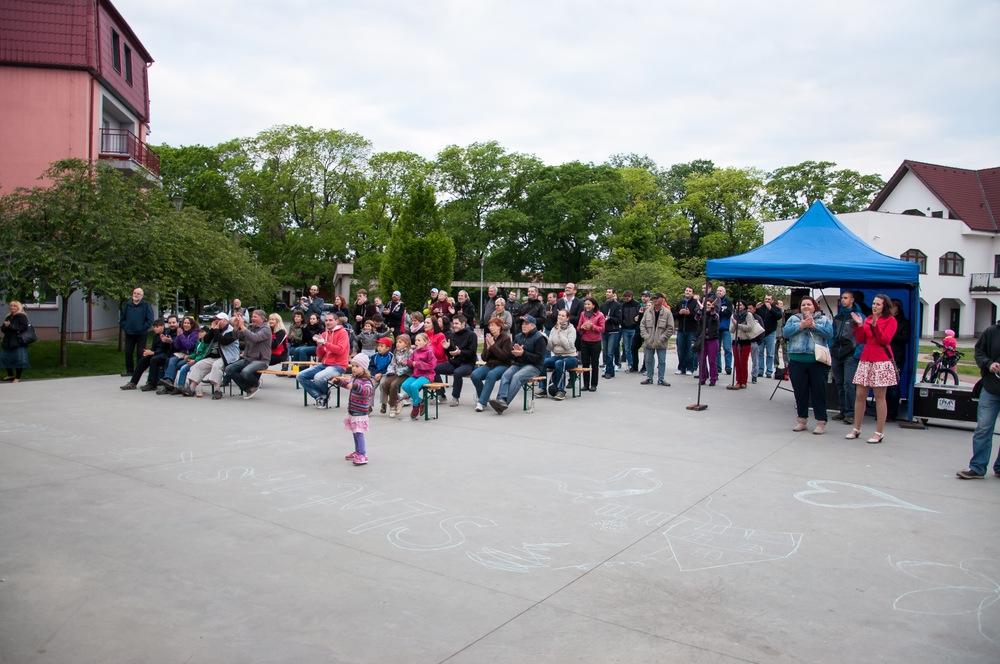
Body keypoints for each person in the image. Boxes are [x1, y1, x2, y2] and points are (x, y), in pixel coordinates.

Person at [846, 294, 898, 444]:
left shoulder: (891, 320)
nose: (875, 306)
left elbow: (885, 340)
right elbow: (861, 339)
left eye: (878, 304)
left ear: (885, 306)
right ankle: (856, 428)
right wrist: (859, 325)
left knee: (879, 397)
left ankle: (879, 432)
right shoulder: (868, 318)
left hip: (881, 360)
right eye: (874, 303)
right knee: (860, 394)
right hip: (866, 359)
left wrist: (875, 326)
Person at [783, 296, 834, 434]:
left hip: (817, 361)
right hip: (796, 360)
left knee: (819, 392)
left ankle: (821, 421)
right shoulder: (793, 319)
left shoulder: (823, 319)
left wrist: (813, 326)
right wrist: (801, 325)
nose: (806, 306)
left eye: (809, 304)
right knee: (800, 392)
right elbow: (785, 333)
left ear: (814, 306)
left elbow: (829, 334)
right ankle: (802, 420)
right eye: (803, 304)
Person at [956, 320, 1000, 479]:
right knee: (983, 428)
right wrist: (989, 364)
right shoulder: (992, 331)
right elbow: (979, 352)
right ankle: (977, 467)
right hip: (991, 388)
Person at [489, 315, 546, 413]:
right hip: (518, 364)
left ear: (533, 326)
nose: (523, 325)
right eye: (522, 323)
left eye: (526, 323)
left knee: (517, 377)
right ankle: (501, 399)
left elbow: (539, 359)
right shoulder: (518, 336)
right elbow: (510, 354)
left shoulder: (539, 338)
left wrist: (523, 353)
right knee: (506, 375)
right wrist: (514, 353)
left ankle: (503, 403)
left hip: (534, 367)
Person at [296, 313, 350, 409]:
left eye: (330, 320)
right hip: (324, 364)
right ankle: (320, 396)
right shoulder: (324, 334)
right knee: (300, 376)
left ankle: (323, 397)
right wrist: (319, 346)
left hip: (338, 365)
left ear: (336, 321)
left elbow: (340, 350)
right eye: (326, 320)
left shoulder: (343, 332)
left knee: (318, 377)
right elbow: (320, 356)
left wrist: (325, 343)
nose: (328, 322)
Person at [184, 313, 240, 399]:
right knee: (200, 365)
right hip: (215, 356)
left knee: (216, 366)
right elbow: (206, 340)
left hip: (228, 357)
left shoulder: (232, 331)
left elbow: (223, 341)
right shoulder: (216, 329)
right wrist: (212, 330)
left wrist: (216, 330)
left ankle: (217, 390)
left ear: (225, 321)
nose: (216, 321)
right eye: (215, 319)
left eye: (219, 319)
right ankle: (191, 388)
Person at [222, 309, 273, 400]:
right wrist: (236, 326)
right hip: (248, 358)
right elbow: (236, 336)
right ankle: (248, 389)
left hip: (261, 360)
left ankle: (256, 383)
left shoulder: (266, 329)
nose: (252, 318)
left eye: (255, 317)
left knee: (245, 372)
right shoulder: (251, 327)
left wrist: (243, 326)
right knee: (228, 369)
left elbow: (255, 338)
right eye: (252, 316)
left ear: (262, 318)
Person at [830, 291, 863, 425]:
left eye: (845, 298)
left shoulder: (858, 316)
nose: (843, 300)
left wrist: (856, 353)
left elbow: (863, 336)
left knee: (848, 384)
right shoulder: (838, 317)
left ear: (852, 299)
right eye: (842, 298)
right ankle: (843, 411)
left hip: (850, 354)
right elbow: (832, 335)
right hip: (837, 353)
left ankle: (851, 413)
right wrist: (831, 349)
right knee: (839, 383)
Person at [337, 353, 375, 466]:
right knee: (355, 432)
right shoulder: (354, 378)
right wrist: (338, 382)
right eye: (353, 366)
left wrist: (355, 386)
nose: (354, 368)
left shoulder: (366, 380)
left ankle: (362, 455)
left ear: (364, 368)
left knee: (359, 433)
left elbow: (367, 391)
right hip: (353, 410)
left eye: (357, 366)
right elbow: (348, 385)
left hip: (360, 412)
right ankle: (357, 452)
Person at [436, 314, 478, 407]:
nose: (454, 325)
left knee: (457, 372)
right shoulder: (452, 335)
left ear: (463, 324)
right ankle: (441, 394)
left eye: (456, 323)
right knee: (434, 369)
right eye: (453, 323)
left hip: (468, 364)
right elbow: (450, 354)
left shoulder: (472, 335)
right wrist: (447, 348)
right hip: (454, 363)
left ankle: (455, 397)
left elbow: (472, 352)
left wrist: (460, 352)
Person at [472, 317, 512, 412]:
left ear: (499, 327)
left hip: (503, 365)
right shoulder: (489, 338)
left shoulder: (506, 338)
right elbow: (484, 358)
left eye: (493, 325)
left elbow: (504, 357)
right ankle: (484, 397)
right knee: (474, 375)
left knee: (491, 374)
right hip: (489, 365)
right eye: (490, 325)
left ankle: (482, 402)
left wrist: (493, 346)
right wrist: (488, 348)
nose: (490, 327)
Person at [120, 318, 172, 391]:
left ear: (162, 326)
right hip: (156, 353)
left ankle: (151, 384)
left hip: (165, 355)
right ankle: (133, 383)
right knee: (143, 360)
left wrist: (153, 353)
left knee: (154, 359)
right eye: (154, 327)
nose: (155, 329)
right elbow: (154, 348)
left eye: (157, 327)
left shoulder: (167, 334)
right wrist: (149, 352)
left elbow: (165, 349)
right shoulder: (155, 336)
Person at [538, 309, 577, 400]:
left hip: (570, 357)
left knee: (559, 363)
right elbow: (550, 348)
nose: (560, 317)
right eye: (559, 315)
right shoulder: (553, 329)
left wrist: (560, 333)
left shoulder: (571, 329)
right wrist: (545, 338)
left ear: (567, 318)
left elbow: (568, 347)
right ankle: (543, 389)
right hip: (557, 356)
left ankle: (560, 391)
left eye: (563, 316)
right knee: (543, 362)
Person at [639, 293, 674, 386]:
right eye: (653, 298)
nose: (654, 300)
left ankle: (661, 379)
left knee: (662, 361)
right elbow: (642, 325)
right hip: (649, 341)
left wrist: (662, 338)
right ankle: (649, 378)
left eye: (657, 298)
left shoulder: (667, 312)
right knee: (648, 360)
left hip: (661, 342)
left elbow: (670, 328)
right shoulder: (648, 311)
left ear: (662, 299)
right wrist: (646, 337)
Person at [157, 316, 199, 392]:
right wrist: (171, 340)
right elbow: (177, 346)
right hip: (182, 354)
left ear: (192, 324)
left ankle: (172, 385)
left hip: (191, 355)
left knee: (177, 365)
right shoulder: (181, 332)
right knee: (170, 360)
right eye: (184, 323)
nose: (186, 325)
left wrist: (181, 336)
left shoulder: (195, 334)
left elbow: (189, 346)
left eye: (188, 323)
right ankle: (168, 381)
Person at [119, 287, 154, 377]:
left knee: (140, 353)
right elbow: (122, 319)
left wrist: (142, 328)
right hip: (129, 333)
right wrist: (126, 327)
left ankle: (138, 371)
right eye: (134, 293)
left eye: (138, 294)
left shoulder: (146, 305)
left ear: (142, 296)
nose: (136, 295)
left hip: (141, 334)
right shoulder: (127, 304)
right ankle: (129, 371)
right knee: (128, 352)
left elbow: (150, 320)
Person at [402, 332, 437, 420]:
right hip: (416, 375)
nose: (416, 342)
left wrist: (417, 364)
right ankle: (420, 401)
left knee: (414, 386)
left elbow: (432, 366)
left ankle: (415, 405)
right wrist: (407, 362)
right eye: (415, 340)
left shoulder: (429, 352)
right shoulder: (415, 352)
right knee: (405, 385)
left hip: (427, 375)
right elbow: (411, 363)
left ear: (425, 342)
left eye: (419, 340)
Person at [886, 299, 911, 421]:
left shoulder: (904, 323)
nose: (890, 309)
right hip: (884, 356)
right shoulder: (885, 320)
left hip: (897, 357)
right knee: (884, 386)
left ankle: (892, 412)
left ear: (898, 308)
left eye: (893, 306)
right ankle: (884, 411)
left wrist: (891, 333)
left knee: (893, 387)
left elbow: (905, 338)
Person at [728, 300, 760, 390]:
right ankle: (738, 381)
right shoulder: (733, 315)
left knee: (743, 362)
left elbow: (750, 327)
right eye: (737, 305)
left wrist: (738, 325)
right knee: (737, 362)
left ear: (744, 306)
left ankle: (744, 381)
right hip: (736, 341)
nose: (738, 306)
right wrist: (734, 324)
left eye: (740, 305)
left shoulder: (748, 315)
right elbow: (731, 330)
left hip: (745, 341)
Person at [576, 297, 606, 392]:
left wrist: (592, 326)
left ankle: (593, 384)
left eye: (588, 304)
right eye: (585, 304)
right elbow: (578, 328)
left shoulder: (600, 315)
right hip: (584, 341)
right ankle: (585, 384)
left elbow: (602, 329)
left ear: (593, 305)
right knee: (585, 363)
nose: (586, 306)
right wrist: (582, 327)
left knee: (594, 363)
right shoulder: (582, 314)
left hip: (595, 342)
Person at [380, 335, 411, 417]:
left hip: (405, 374)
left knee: (393, 385)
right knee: (384, 384)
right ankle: (398, 400)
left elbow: (409, 367)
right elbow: (392, 364)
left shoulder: (410, 352)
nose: (397, 344)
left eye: (400, 342)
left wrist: (399, 371)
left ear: (406, 343)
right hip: (396, 373)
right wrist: (391, 371)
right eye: (397, 342)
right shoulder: (396, 351)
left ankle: (392, 406)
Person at [0, 300, 31, 383]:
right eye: (11, 306)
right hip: (7, 341)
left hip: (18, 341)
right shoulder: (8, 316)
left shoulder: (22, 316)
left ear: (18, 307)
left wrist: (10, 326)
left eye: (14, 306)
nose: (12, 307)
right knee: (5, 358)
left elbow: (23, 328)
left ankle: (17, 377)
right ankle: (10, 375)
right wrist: (5, 326)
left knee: (19, 360)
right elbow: (3, 329)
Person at [173, 326, 209, 395]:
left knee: (184, 368)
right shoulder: (199, 342)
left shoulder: (206, 343)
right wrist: (189, 356)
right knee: (182, 367)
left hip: (201, 361)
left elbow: (204, 355)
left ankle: (184, 387)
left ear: (206, 333)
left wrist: (195, 360)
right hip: (195, 360)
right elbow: (195, 353)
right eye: (199, 332)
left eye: (202, 332)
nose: (199, 333)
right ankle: (180, 386)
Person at [674, 286, 700, 376]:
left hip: (692, 330)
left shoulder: (696, 303)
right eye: (686, 290)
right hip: (681, 330)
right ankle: (681, 368)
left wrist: (690, 313)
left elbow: (698, 316)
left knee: (690, 350)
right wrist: (679, 313)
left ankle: (690, 368)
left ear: (692, 293)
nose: (688, 292)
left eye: (690, 291)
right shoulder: (680, 302)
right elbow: (674, 315)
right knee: (680, 350)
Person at [695, 297, 720, 386]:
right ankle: (702, 377)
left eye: (709, 305)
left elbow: (714, 317)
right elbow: (696, 318)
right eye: (706, 305)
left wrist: (712, 309)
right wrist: (700, 309)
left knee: (712, 361)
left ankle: (713, 378)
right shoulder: (701, 314)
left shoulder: (715, 315)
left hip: (712, 340)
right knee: (701, 360)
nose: (707, 306)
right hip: (702, 340)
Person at [756, 295, 783, 378]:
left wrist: (770, 309)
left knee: (770, 353)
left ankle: (769, 371)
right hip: (761, 333)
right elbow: (755, 316)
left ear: (772, 300)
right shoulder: (760, 308)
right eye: (766, 299)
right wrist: (756, 308)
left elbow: (779, 316)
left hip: (771, 333)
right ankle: (760, 371)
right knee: (760, 353)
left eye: (769, 299)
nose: (767, 300)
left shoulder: (776, 308)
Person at [600, 288, 623, 379]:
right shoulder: (603, 305)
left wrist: (610, 318)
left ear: (614, 294)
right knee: (605, 352)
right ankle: (610, 371)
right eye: (607, 292)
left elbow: (619, 319)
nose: (607, 293)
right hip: (604, 330)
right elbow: (600, 316)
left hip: (613, 331)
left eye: (609, 292)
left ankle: (608, 372)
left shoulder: (617, 305)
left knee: (610, 352)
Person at [619, 290, 640, 374]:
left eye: (628, 297)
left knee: (632, 348)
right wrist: (622, 323)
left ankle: (634, 365)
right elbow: (621, 316)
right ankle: (630, 364)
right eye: (625, 297)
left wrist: (635, 323)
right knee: (626, 348)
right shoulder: (623, 305)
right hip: (625, 329)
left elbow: (639, 315)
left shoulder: (637, 304)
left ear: (631, 296)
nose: (627, 298)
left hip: (634, 329)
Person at [715, 286, 733, 375]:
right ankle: (718, 367)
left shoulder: (728, 301)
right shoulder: (714, 301)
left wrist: (719, 312)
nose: (719, 292)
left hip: (725, 328)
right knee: (716, 349)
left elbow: (728, 312)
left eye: (721, 291)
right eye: (718, 290)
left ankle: (728, 367)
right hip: (716, 328)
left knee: (727, 348)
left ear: (724, 292)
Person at [632, 291, 651, 373]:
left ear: (649, 298)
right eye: (643, 296)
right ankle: (634, 366)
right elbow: (636, 319)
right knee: (633, 347)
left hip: (647, 331)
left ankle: (645, 367)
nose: (644, 298)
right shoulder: (639, 306)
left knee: (646, 349)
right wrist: (637, 317)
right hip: (638, 329)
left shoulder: (651, 306)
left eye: (646, 296)